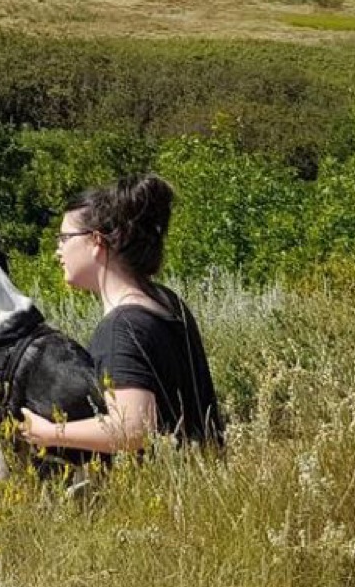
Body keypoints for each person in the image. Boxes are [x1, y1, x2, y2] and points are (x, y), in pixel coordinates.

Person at [18, 174, 224, 456]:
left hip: (165, 490)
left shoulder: (121, 328)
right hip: (205, 476)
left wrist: (50, 433)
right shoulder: (164, 301)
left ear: (95, 242)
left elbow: (133, 429)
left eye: (65, 238)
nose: (58, 250)